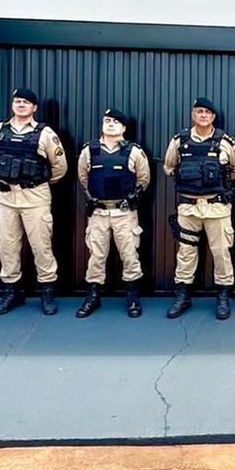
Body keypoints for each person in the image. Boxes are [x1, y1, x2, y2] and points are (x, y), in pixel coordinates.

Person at [162, 98, 235, 320]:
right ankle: (183, 294)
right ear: (193, 114)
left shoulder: (225, 142)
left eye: (207, 112)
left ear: (213, 117)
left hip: (216, 208)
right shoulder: (180, 141)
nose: (203, 115)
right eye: (199, 111)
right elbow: (169, 167)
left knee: (221, 253)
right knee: (186, 252)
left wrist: (219, 185)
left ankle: (223, 294)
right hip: (188, 208)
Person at [0, 87, 67, 315]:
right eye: (17, 101)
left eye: (26, 102)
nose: (21, 105)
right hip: (6, 197)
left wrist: (36, 183)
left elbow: (59, 167)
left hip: (35, 198)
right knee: (8, 246)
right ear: (12, 105)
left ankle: (47, 291)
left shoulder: (45, 134)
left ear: (34, 108)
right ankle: (12, 291)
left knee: (42, 246)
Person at [75, 108, 151, 318]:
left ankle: (132, 295)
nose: (110, 124)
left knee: (129, 254)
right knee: (96, 255)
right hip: (98, 212)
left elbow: (143, 180)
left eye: (115, 122)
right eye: (107, 120)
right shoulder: (89, 151)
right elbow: (83, 178)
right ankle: (93, 295)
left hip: (124, 213)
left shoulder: (134, 151)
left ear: (123, 128)